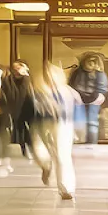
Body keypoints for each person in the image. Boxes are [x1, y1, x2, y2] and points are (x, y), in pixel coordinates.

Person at [28, 62, 79, 200]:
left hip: (63, 124)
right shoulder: (37, 91)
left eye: (52, 74)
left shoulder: (67, 91)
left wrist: (78, 127)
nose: (49, 77)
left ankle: (66, 189)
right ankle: (46, 165)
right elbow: (29, 109)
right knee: (39, 152)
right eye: (47, 75)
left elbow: (78, 107)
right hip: (41, 124)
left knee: (63, 156)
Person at [68, 52, 108, 144]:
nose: (91, 64)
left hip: (87, 100)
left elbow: (72, 85)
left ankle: (89, 144)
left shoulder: (98, 74)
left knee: (89, 123)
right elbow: (103, 89)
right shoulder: (99, 74)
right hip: (83, 100)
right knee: (86, 123)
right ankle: (86, 143)